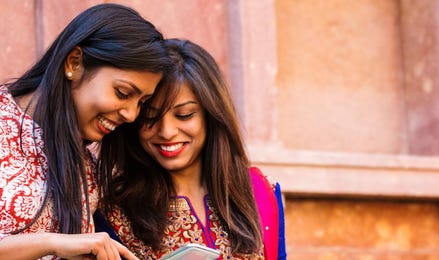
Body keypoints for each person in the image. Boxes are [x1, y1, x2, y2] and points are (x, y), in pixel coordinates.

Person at [0, 3, 170, 259]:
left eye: (141, 102)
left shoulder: (85, 165)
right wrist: (51, 242)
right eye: (122, 93)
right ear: (74, 62)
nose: (131, 114)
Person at [96, 39, 287, 259]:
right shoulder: (115, 210)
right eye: (150, 117)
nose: (166, 132)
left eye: (184, 115)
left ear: (211, 115)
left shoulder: (259, 192)